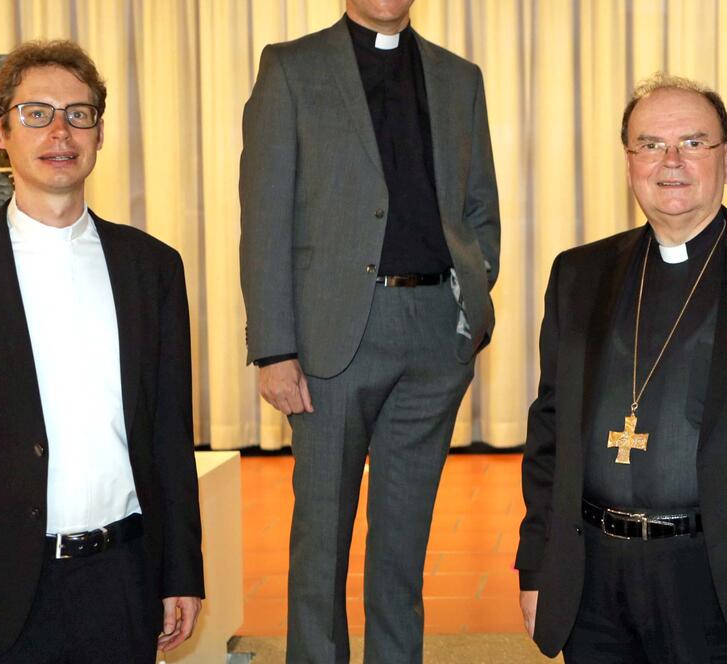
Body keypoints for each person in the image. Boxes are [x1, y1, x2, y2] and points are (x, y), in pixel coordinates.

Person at [515, 74, 727, 664]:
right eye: (650, 144)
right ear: (629, 162)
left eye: (693, 143)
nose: (671, 161)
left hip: (725, 583)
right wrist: (536, 566)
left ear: (726, 160)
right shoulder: (578, 275)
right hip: (595, 581)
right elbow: (549, 435)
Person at [0, 40, 204, 664]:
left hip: (122, 582)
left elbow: (170, 435)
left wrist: (182, 571)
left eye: (79, 114)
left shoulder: (153, 268)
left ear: (99, 134)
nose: (60, 132)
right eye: (36, 113)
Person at [238, 0, 500, 661]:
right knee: (321, 537)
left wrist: (470, 300)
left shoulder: (459, 77)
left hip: (435, 336)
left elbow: (480, 207)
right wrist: (273, 348)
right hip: (333, 338)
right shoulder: (290, 69)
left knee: (404, 542)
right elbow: (264, 215)